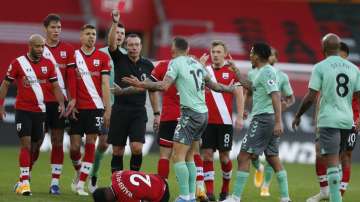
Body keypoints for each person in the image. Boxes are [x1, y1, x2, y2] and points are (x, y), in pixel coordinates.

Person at [122, 37, 239, 202]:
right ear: (188, 49)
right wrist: (230, 88)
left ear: (173, 49)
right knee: (191, 155)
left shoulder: (175, 64)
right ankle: (192, 194)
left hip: (188, 115)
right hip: (203, 115)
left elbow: (163, 86)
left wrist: (140, 84)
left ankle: (184, 196)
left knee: (177, 156)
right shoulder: (198, 64)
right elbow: (215, 86)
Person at [292, 33, 360, 202]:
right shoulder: (354, 69)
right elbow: (358, 95)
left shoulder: (320, 67)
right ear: (338, 48)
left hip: (329, 120)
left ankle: (335, 199)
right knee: (337, 159)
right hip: (347, 121)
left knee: (332, 163)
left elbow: (311, 95)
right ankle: (329, 195)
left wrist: (299, 114)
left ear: (323, 48)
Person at [224, 42, 291, 202]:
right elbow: (250, 86)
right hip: (266, 118)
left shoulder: (267, 72)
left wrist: (278, 121)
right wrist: (237, 71)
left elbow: (275, 95)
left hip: (263, 119)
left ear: (258, 55)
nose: (250, 55)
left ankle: (235, 198)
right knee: (273, 158)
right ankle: (285, 198)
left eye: (252, 52)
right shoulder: (262, 72)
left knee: (243, 156)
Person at [0, 34, 65, 196]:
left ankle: (22, 179)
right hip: (23, 110)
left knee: (36, 146)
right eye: (38, 46)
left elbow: (56, 86)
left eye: (43, 46)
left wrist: (61, 103)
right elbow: (6, 84)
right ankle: (25, 183)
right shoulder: (18, 63)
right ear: (29, 46)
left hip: (40, 112)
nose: (41, 49)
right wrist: (0, 105)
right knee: (26, 144)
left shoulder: (49, 64)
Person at [107, 10, 160, 174]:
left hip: (138, 111)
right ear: (125, 46)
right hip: (119, 110)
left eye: (137, 45)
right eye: (130, 45)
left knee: (137, 148)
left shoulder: (148, 65)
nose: (134, 47)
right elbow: (111, 44)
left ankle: (133, 181)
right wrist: (115, 23)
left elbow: (152, 90)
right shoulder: (119, 58)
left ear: (141, 46)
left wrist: (157, 113)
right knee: (117, 151)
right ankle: (117, 184)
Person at [196, 40, 244, 201]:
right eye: (213, 52)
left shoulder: (231, 71)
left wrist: (240, 115)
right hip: (207, 121)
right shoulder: (205, 70)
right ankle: (209, 192)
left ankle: (225, 189)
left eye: (218, 52)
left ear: (225, 54)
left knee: (224, 157)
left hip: (225, 122)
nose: (215, 55)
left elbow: (239, 94)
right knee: (207, 155)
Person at [68, 24, 111, 196]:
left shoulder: (102, 57)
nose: (91, 36)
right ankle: (79, 171)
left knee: (91, 143)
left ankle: (81, 185)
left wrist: (107, 109)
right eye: (87, 33)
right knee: (74, 148)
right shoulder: (74, 56)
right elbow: (68, 81)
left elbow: (105, 84)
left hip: (95, 108)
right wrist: (70, 102)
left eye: (94, 34)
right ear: (81, 36)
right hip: (77, 108)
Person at [250, 47, 295, 197]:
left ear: (276, 58)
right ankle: (258, 168)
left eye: (273, 55)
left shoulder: (282, 76)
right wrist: (243, 108)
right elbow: (247, 93)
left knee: (272, 156)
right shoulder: (253, 73)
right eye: (269, 54)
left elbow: (290, 98)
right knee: (252, 155)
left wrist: (282, 109)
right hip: (258, 116)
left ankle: (266, 186)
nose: (270, 57)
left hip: (272, 119)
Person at [88, 22, 127, 193]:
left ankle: (116, 183)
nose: (119, 35)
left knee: (113, 146)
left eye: (122, 33)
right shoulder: (100, 54)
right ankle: (91, 174)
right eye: (116, 32)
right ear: (110, 33)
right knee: (100, 143)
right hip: (100, 105)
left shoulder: (127, 55)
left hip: (121, 108)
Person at [42, 13, 76, 195]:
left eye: (59, 27)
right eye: (53, 27)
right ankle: (25, 179)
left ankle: (54, 182)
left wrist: (72, 99)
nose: (56, 31)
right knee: (34, 142)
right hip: (39, 102)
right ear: (45, 28)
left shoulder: (68, 49)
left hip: (58, 103)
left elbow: (71, 77)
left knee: (57, 141)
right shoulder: (38, 48)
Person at [92, 170, 169, 202]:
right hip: (159, 179)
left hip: (162, 195)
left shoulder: (126, 197)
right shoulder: (115, 175)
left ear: (108, 198)